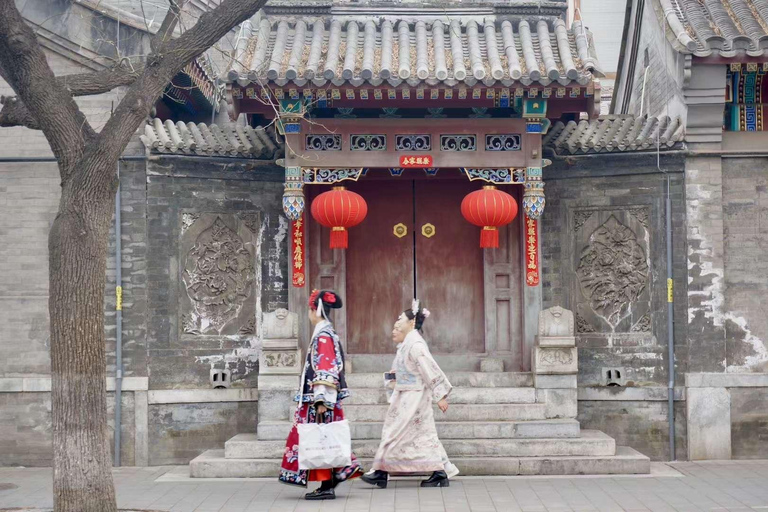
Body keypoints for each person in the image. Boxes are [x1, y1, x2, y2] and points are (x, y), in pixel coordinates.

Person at [361, 300, 459, 489]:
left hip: (415, 398)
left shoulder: (415, 345)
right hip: (406, 396)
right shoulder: (408, 343)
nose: (397, 321)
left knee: (396, 433)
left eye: (401, 318)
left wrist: (440, 395)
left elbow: (429, 369)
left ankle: (382, 472)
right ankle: (436, 471)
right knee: (417, 434)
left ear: (411, 323)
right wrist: (392, 381)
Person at [278, 289, 362, 500]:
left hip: (320, 400)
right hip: (320, 398)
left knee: (319, 439)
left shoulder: (323, 337)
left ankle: (326, 485)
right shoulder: (327, 334)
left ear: (316, 310)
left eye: (310, 309)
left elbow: (326, 368)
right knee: (324, 438)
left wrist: (321, 399)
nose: (308, 313)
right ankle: (334, 477)